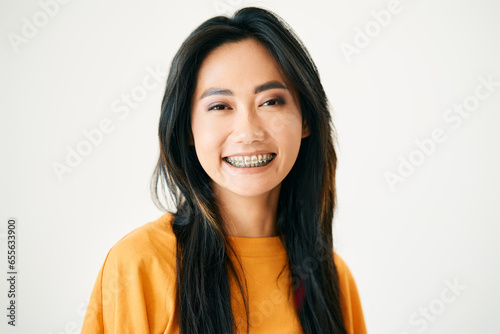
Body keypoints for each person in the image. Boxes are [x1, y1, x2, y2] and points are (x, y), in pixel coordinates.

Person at [81, 6, 367, 334]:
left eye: (271, 101)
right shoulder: (139, 264)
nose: (248, 132)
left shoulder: (332, 277)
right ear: (187, 130)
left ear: (306, 120)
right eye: (220, 106)